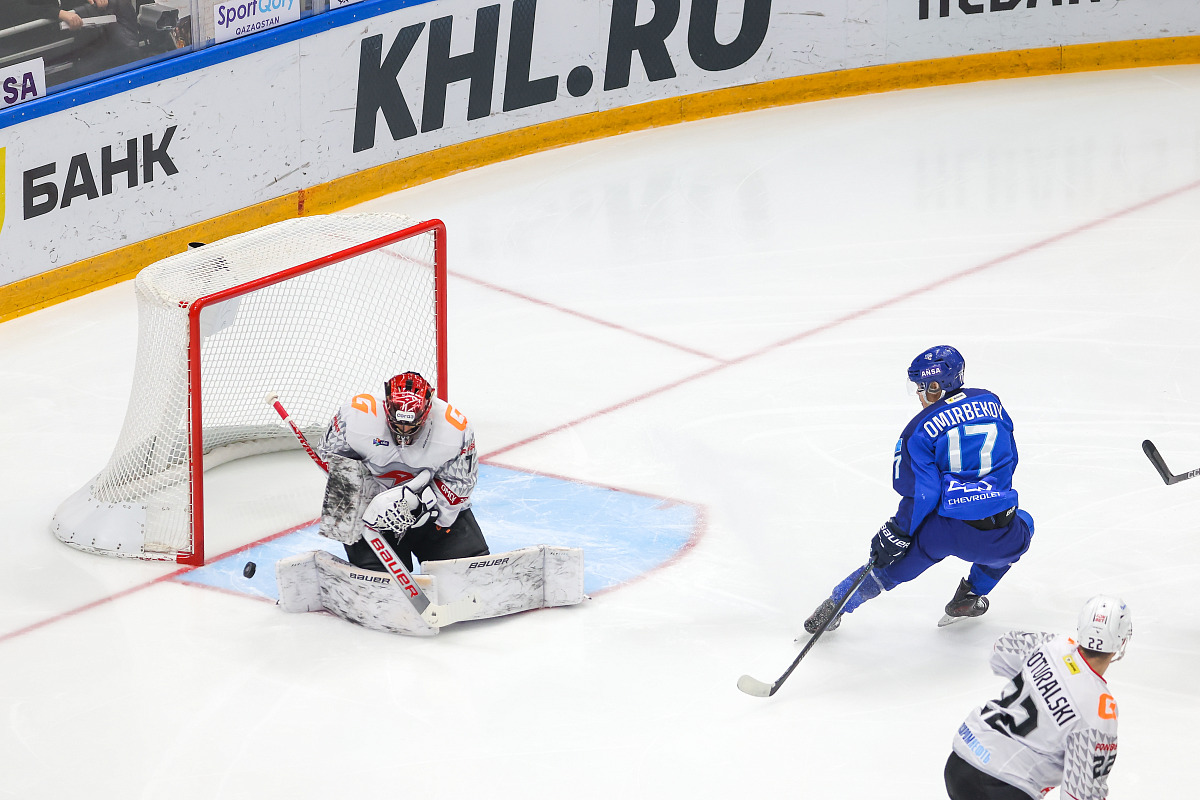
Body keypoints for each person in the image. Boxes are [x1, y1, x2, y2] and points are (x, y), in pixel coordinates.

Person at [804, 344, 1035, 633]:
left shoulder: (918, 429)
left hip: (945, 531)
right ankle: (970, 596)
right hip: (1000, 531)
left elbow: (923, 493)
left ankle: (835, 606)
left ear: (936, 386)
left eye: (921, 387)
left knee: (888, 572)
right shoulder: (992, 402)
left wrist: (898, 531)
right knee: (1025, 522)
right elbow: (1011, 459)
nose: (919, 394)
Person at [945, 595, 1132, 799]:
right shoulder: (1099, 710)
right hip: (1004, 786)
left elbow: (1001, 648)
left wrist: (1041, 683)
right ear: (1122, 641)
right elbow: (1081, 793)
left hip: (962, 759)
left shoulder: (1052, 643)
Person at [315, 371, 489, 573]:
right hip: (369, 512)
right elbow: (329, 458)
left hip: (430, 510)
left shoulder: (454, 428)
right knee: (378, 577)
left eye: (412, 425)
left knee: (469, 572)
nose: (404, 431)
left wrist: (420, 505)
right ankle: (372, 568)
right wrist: (370, 496)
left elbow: (461, 483)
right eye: (398, 424)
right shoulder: (355, 415)